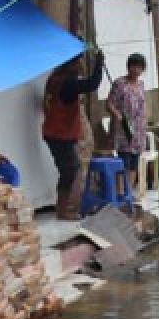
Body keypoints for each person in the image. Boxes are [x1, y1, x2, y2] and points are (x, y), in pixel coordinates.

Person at [43, 51, 105, 220]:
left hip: (54, 131)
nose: (79, 66)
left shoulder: (55, 78)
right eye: (77, 63)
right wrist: (99, 64)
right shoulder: (68, 83)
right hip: (59, 133)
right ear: (69, 65)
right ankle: (63, 210)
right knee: (70, 169)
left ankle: (63, 207)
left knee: (69, 169)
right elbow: (92, 84)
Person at [106, 53, 148, 179]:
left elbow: (143, 105)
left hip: (138, 129)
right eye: (133, 66)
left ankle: (128, 193)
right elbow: (109, 103)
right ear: (128, 67)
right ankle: (121, 192)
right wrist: (116, 114)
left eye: (139, 67)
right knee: (124, 161)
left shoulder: (141, 84)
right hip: (123, 128)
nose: (136, 70)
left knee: (134, 162)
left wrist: (145, 122)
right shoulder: (119, 83)